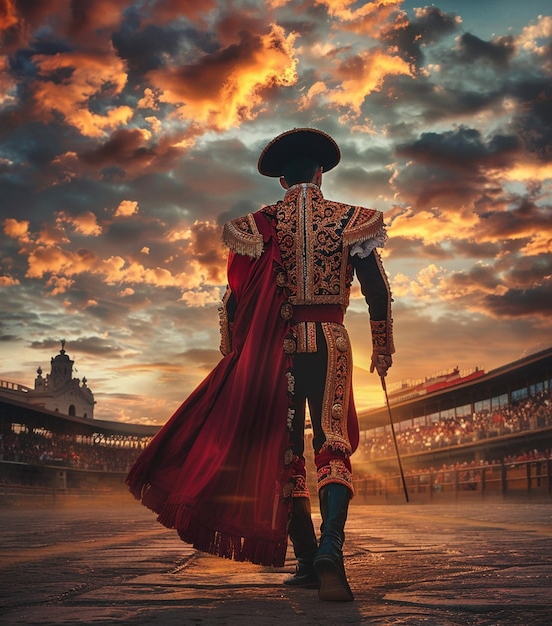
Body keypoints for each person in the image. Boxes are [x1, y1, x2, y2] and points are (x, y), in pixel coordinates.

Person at [126, 127, 394, 603]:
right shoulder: (352, 219)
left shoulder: (258, 225)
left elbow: (234, 300)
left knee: (285, 451)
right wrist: (382, 346)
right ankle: (331, 548)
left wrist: (235, 355)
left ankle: (309, 559)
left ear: (281, 181)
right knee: (333, 444)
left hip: (279, 348)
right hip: (332, 340)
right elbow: (377, 290)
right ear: (320, 173)